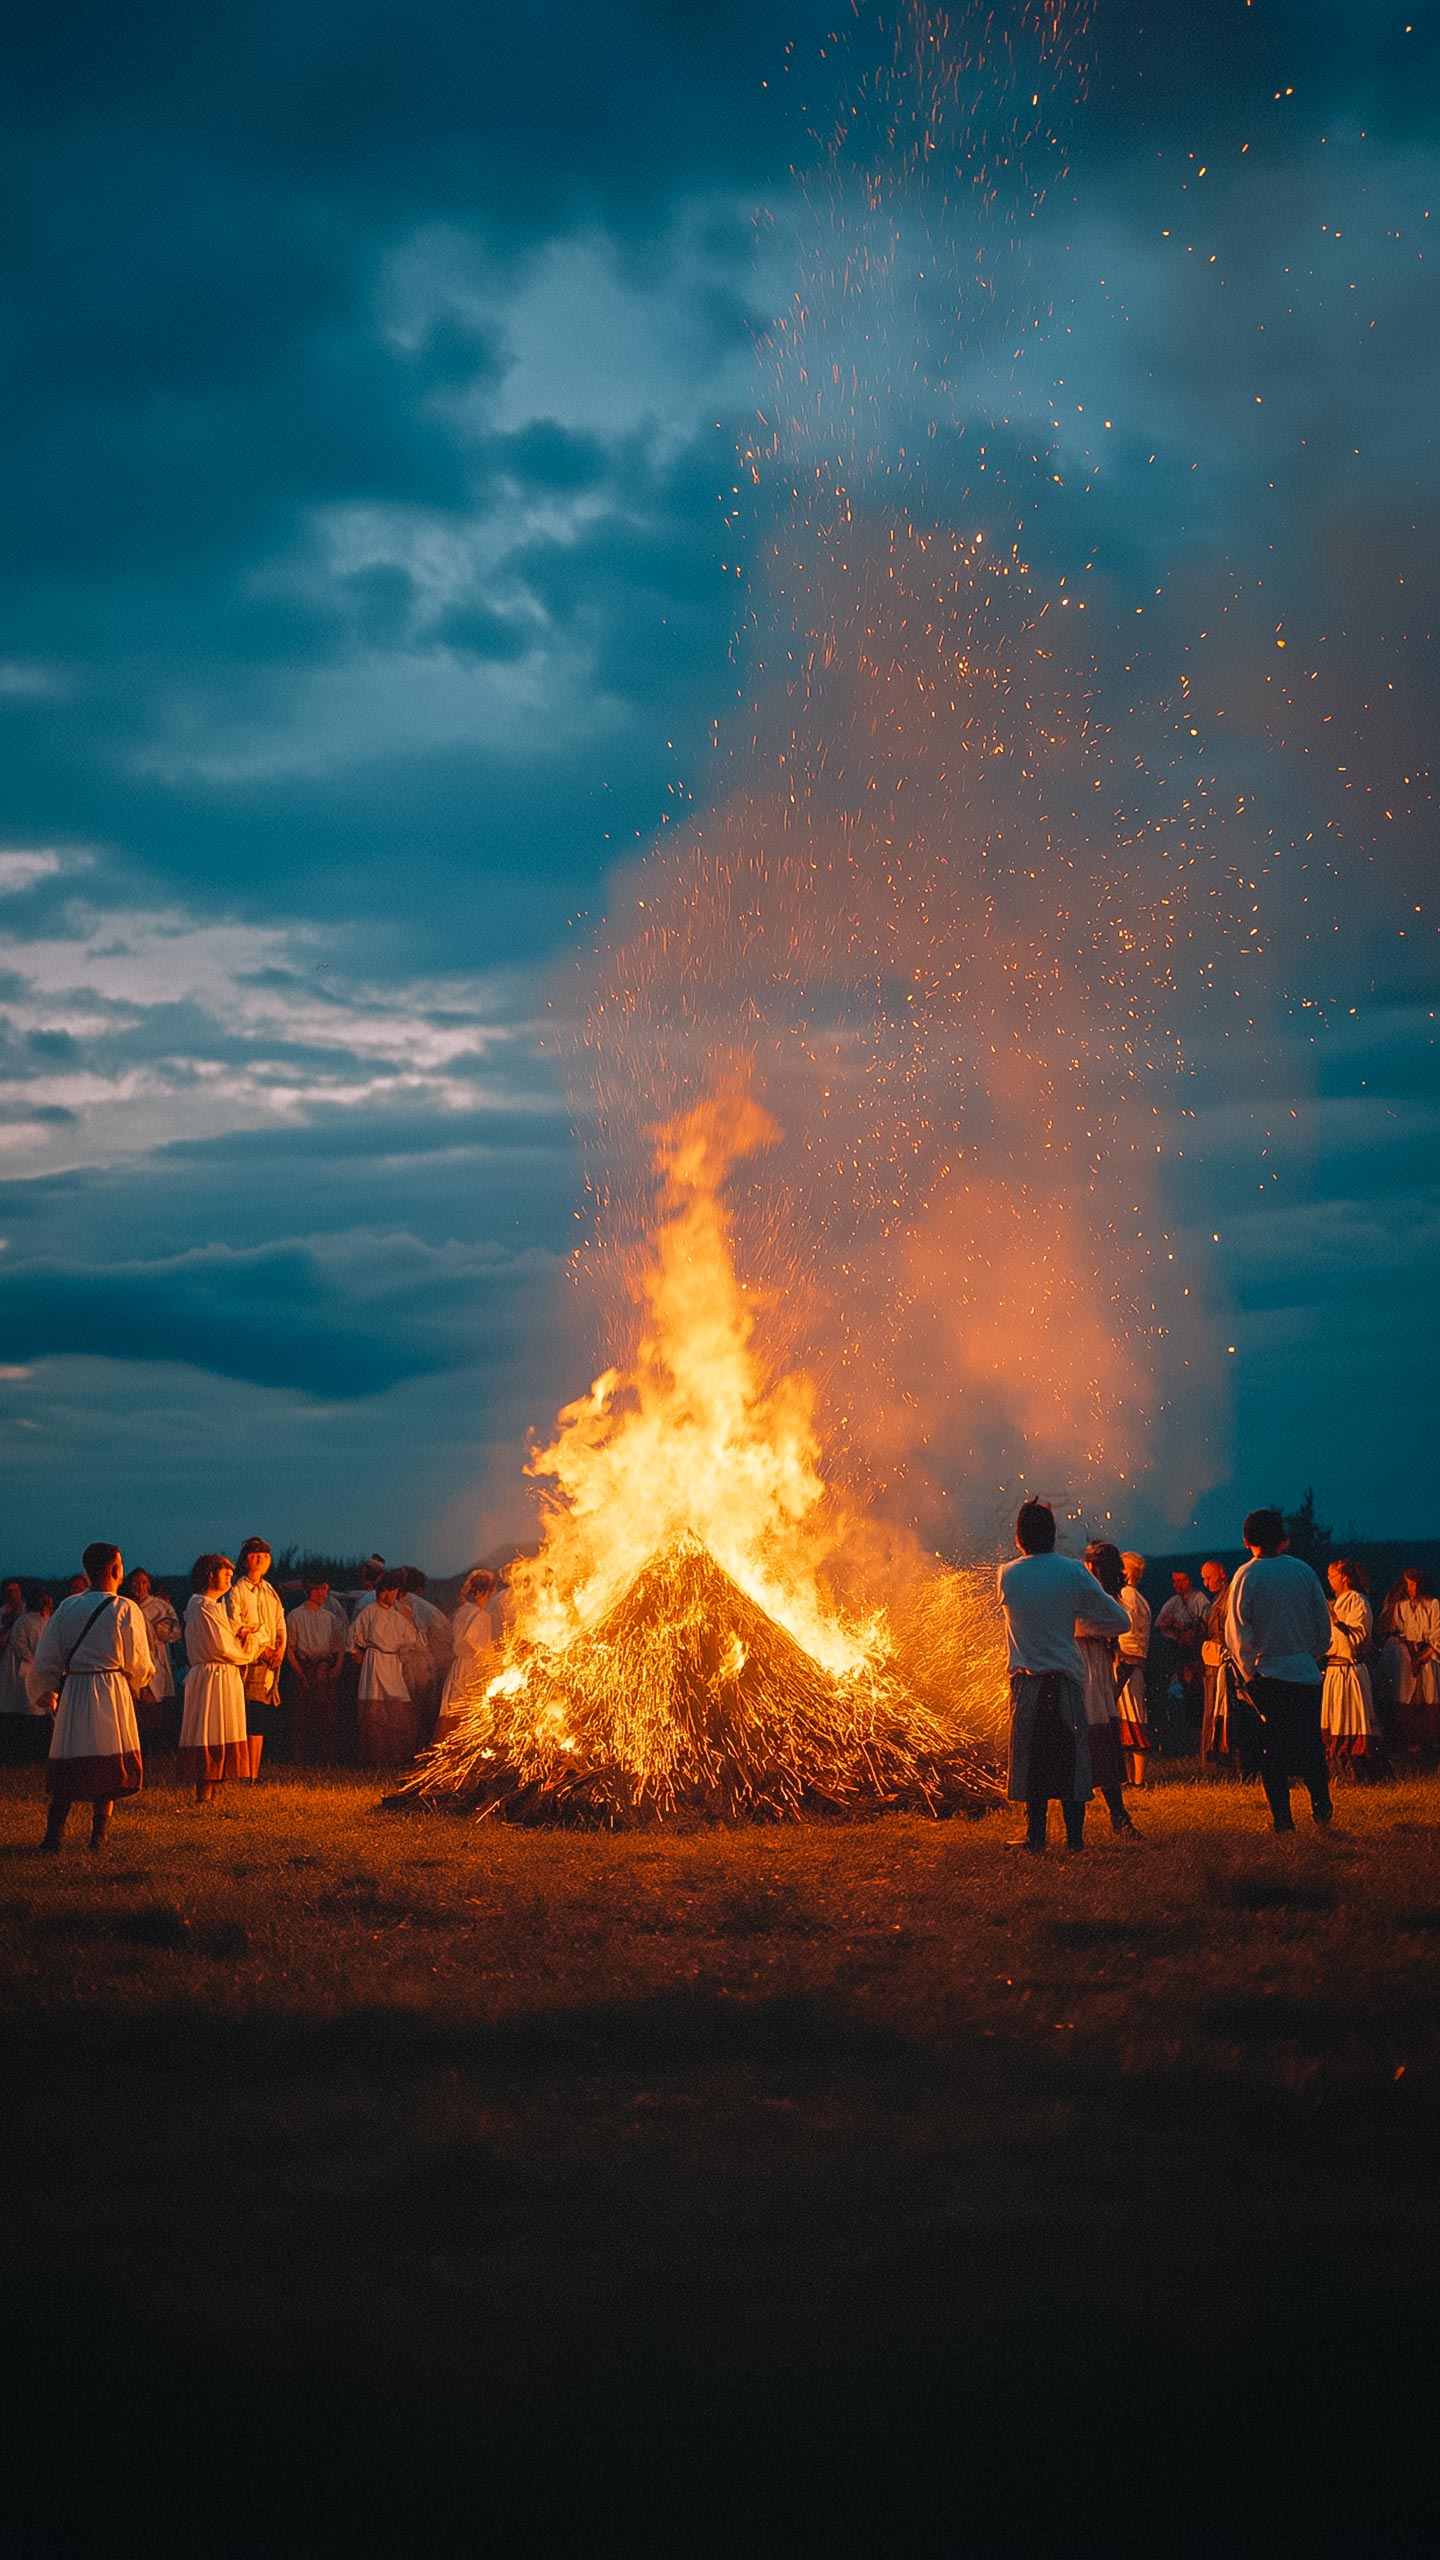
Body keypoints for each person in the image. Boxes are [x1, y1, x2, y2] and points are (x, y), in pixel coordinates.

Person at [997, 1500, 1128, 1855]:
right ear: (1054, 1535)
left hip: (1027, 1683)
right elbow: (1120, 1621)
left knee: (1032, 1761)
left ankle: (1035, 1836)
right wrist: (1080, 1623)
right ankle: (1075, 1839)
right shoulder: (1072, 1572)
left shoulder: (1007, 1574)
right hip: (1067, 1681)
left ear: (1019, 1537)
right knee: (1071, 1760)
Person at [28, 1543, 153, 1851]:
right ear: (115, 1569)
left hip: (76, 1692)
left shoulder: (68, 1607)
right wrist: (141, 1679)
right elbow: (137, 1661)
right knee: (108, 1760)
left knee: (71, 1755)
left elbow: (46, 1656)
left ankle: (53, 1836)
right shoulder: (125, 1608)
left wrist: (46, 1690)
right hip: (111, 1690)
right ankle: (98, 1836)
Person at [1223, 1509, 1333, 1834]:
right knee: (1311, 1743)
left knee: (1271, 1751)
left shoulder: (1246, 1576)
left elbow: (1237, 1634)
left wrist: (1248, 1674)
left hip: (1268, 1676)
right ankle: (1321, 1805)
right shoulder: (1303, 1572)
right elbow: (1323, 1629)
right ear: (1281, 1538)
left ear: (1246, 1541)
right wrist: (1306, 1656)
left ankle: (1283, 1820)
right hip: (1305, 1674)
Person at [180, 1555, 263, 1802]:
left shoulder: (212, 1606)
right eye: (225, 1573)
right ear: (210, 1575)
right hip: (212, 1677)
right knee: (210, 1730)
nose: (230, 1577)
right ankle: (204, 1793)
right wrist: (250, 1648)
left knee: (223, 1730)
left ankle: (215, 1790)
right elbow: (222, 1646)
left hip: (223, 1675)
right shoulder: (202, 1606)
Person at [1078, 1541, 1141, 1838]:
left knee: (1099, 1742)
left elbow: (1116, 1624)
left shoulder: (1102, 1598)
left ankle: (1117, 1815)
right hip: (1086, 1670)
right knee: (1091, 1744)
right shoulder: (1091, 1595)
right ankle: (1113, 1817)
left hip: (1092, 1673)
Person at [349, 1571, 423, 1765]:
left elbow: (413, 1639)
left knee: (399, 1711)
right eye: (387, 1591)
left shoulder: (399, 1616)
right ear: (380, 1592)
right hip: (373, 1664)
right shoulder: (369, 1612)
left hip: (392, 1665)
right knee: (374, 1715)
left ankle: (397, 1758)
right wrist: (357, 1654)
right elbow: (353, 1638)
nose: (390, 1596)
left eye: (394, 1591)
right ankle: (374, 1759)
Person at [226, 1537, 287, 1767]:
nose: (261, 1560)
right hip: (249, 1660)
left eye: (264, 1555)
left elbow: (280, 1621)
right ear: (245, 1560)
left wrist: (280, 1648)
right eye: (255, 1556)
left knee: (260, 1714)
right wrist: (261, 1649)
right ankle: (245, 1768)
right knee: (250, 1713)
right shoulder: (238, 1590)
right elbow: (235, 1624)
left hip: (269, 1661)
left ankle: (254, 1769)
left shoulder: (269, 1591)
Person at [1321, 1559, 1383, 1778]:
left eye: (1332, 1575)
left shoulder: (1357, 1601)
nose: (1329, 1580)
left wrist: (1335, 1621)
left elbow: (1357, 1639)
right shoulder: (1337, 1602)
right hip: (1335, 1671)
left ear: (1344, 1577)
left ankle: (1358, 1770)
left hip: (1350, 1671)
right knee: (1336, 1719)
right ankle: (1338, 1768)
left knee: (1352, 1718)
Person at [435, 1569, 500, 1744]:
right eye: (489, 1592)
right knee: (467, 1709)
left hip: (458, 1666)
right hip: (472, 1668)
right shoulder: (482, 1616)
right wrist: (490, 1662)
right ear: (480, 1592)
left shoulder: (462, 1611)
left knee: (453, 1706)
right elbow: (471, 1642)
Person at [286, 1579, 347, 1765]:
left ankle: (327, 1760)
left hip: (324, 1668)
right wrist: (300, 1673)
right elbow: (290, 1648)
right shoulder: (295, 1616)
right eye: (318, 1589)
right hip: (305, 1667)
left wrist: (336, 1668)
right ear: (309, 1591)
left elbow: (339, 1647)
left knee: (327, 1717)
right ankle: (300, 1760)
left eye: (324, 1589)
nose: (322, 1594)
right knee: (302, 1716)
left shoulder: (329, 1617)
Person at [1381, 1570, 1440, 1757]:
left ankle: (1432, 1740)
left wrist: (1424, 1655)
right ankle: (1411, 1740)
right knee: (1407, 1694)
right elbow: (1398, 1630)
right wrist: (1410, 1651)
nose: (1410, 1588)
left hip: (1430, 1655)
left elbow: (1437, 1634)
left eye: (1413, 1584)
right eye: (1407, 1584)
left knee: (1430, 1693)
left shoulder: (1432, 1604)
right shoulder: (1402, 1606)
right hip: (1408, 1654)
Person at [125, 1569, 183, 1749]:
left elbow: (176, 1632)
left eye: (142, 1582)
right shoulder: (126, 1606)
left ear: (148, 1584)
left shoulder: (160, 1606)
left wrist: (162, 1629)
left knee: (157, 1703)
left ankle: (158, 1746)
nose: (139, 1586)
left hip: (157, 1659)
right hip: (133, 1659)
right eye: (134, 1582)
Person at [0, 1585, 53, 1765]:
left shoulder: (44, 1620)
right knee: (25, 1710)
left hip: (39, 1671)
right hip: (24, 1671)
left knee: (39, 1710)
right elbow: (19, 1644)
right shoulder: (20, 1620)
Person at [1155, 1568, 1209, 1741]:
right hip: (1179, 1654)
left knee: (1196, 1691)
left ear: (1190, 1580)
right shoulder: (1174, 1601)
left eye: (1181, 1580)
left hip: (1196, 1655)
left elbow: (1206, 1626)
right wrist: (1176, 1632)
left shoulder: (1199, 1599)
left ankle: (1197, 1733)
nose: (1178, 1584)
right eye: (1175, 1581)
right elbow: (1160, 1625)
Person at [399, 1568, 451, 1742]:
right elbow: (443, 1636)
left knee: (414, 1704)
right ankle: (416, 1743)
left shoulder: (421, 1607)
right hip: (417, 1660)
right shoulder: (426, 1608)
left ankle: (416, 1743)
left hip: (414, 1659)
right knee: (417, 1704)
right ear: (420, 1589)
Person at [1116, 1552, 1151, 1786]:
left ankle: (1137, 1780)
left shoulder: (1127, 1595)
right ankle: (1131, 1778)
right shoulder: (1138, 1597)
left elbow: (1123, 1627)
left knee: (1132, 1719)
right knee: (1128, 1719)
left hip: (1126, 1663)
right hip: (1133, 1663)